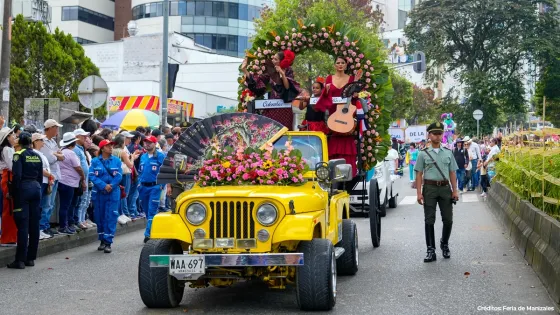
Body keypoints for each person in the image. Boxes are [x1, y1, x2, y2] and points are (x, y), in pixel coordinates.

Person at [414, 122, 459, 263]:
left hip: (445, 189)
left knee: (448, 219)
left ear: (442, 135)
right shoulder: (423, 154)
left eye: (440, 133)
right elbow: (419, 174)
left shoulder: (448, 153)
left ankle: (444, 244)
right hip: (430, 189)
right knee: (429, 220)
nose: (437, 136)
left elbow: (452, 172)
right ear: (429, 135)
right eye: (434, 133)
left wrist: (455, 190)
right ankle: (430, 250)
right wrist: (419, 193)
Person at [315, 56, 362, 178]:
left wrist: (356, 93)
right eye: (338, 63)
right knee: (333, 145)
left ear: (346, 65)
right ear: (335, 65)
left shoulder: (351, 79)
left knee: (347, 139)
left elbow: (354, 99)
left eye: (342, 63)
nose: (340, 65)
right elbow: (325, 98)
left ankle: (349, 173)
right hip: (334, 117)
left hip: (347, 117)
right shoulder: (329, 79)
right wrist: (326, 91)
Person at [6, 132, 44, 269]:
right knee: (34, 225)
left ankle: (20, 260)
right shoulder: (37, 155)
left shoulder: (18, 154)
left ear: (20, 142)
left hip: (23, 190)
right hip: (36, 189)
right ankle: (31, 258)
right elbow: (40, 176)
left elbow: (17, 176)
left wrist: (13, 193)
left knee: (23, 225)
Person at [241, 50, 300, 130]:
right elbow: (257, 80)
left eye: (275, 59)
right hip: (272, 107)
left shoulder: (288, 71)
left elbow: (287, 87)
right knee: (270, 131)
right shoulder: (271, 71)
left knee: (285, 133)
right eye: (273, 58)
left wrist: (282, 74)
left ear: (282, 61)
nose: (273, 61)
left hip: (284, 108)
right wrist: (244, 70)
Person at [90, 139, 122, 253]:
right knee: (99, 216)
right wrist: (103, 186)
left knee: (111, 216)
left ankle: (108, 242)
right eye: (108, 146)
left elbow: (119, 176)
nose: (111, 148)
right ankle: (102, 240)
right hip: (99, 192)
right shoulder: (95, 161)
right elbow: (92, 176)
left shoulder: (117, 160)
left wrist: (111, 186)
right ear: (102, 148)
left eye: (112, 146)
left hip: (113, 193)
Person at [39, 119, 65, 237]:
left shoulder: (53, 142)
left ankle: (46, 225)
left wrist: (56, 154)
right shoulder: (43, 142)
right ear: (50, 128)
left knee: (51, 203)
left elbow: (61, 156)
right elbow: (49, 159)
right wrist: (56, 155)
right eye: (56, 128)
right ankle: (42, 226)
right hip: (48, 176)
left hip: (55, 175)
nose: (57, 130)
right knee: (47, 203)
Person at [57, 132, 86, 235]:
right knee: (67, 205)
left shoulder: (61, 151)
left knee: (64, 205)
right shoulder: (71, 153)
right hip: (69, 182)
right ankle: (64, 226)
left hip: (63, 181)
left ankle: (65, 225)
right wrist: (83, 177)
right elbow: (78, 167)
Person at [138, 136, 165, 243]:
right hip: (143, 187)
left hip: (155, 187)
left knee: (152, 211)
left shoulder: (160, 156)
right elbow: (140, 171)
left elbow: (164, 171)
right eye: (146, 142)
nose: (147, 144)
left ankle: (148, 234)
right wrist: (139, 184)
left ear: (155, 144)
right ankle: (154, 229)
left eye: (150, 142)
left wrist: (162, 185)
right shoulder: (143, 157)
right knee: (146, 211)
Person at [31, 133, 54, 240]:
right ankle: (37, 230)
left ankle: (40, 229)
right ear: (35, 141)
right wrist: (49, 175)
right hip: (40, 181)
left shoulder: (40, 153)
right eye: (41, 140)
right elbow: (39, 168)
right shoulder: (34, 153)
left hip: (45, 181)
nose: (43, 142)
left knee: (43, 205)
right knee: (38, 206)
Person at [0, 127, 17, 246]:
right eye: (12, 135)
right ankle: (7, 237)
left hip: (7, 179)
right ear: (7, 137)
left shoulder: (7, 149)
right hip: (9, 180)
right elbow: (12, 166)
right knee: (9, 209)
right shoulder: (7, 149)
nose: (14, 136)